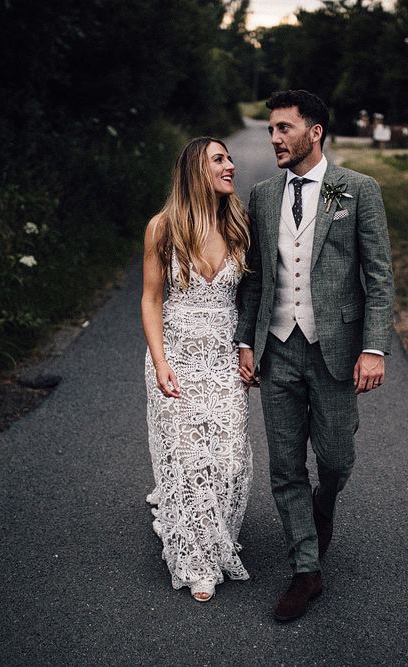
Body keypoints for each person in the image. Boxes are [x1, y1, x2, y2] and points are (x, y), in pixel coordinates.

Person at [236, 90, 394, 621]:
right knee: (285, 467)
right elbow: (254, 278)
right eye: (271, 130)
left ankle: (323, 504)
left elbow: (378, 278)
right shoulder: (260, 196)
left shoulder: (358, 191)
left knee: (336, 459)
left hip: (335, 351)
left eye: (283, 128)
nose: (274, 138)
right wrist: (245, 342)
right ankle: (306, 570)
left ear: (315, 131)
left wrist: (373, 349)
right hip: (277, 351)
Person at [141, 137, 252, 602]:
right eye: (219, 160)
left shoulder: (239, 224)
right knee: (189, 461)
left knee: (227, 460)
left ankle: (205, 530)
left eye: (229, 158)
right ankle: (197, 560)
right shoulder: (162, 228)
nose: (231, 165)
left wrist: (249, 349)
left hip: (224, 361)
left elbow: (252, 295)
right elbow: (150, 299)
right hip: (177, 360)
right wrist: (162, 362)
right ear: (195, 171)